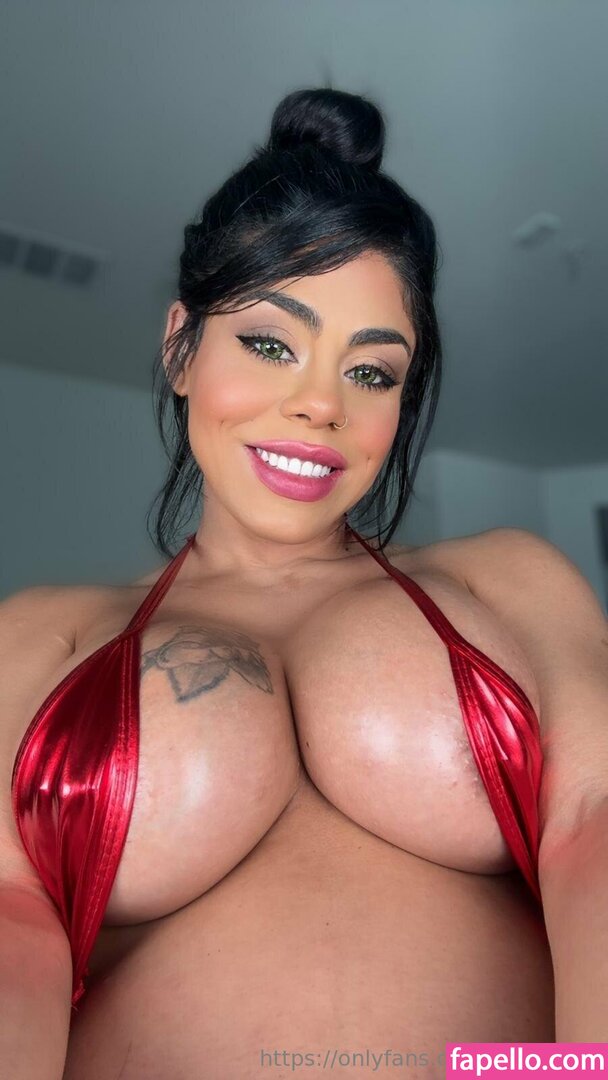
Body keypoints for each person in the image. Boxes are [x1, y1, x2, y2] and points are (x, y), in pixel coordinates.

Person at [2, 87, 607, 1080]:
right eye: (270, 343)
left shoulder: (509, 580)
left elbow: (593, 834)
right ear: (180, 347)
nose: (320, 405)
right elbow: (10, 928)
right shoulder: (40, 634)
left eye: (371, 373)